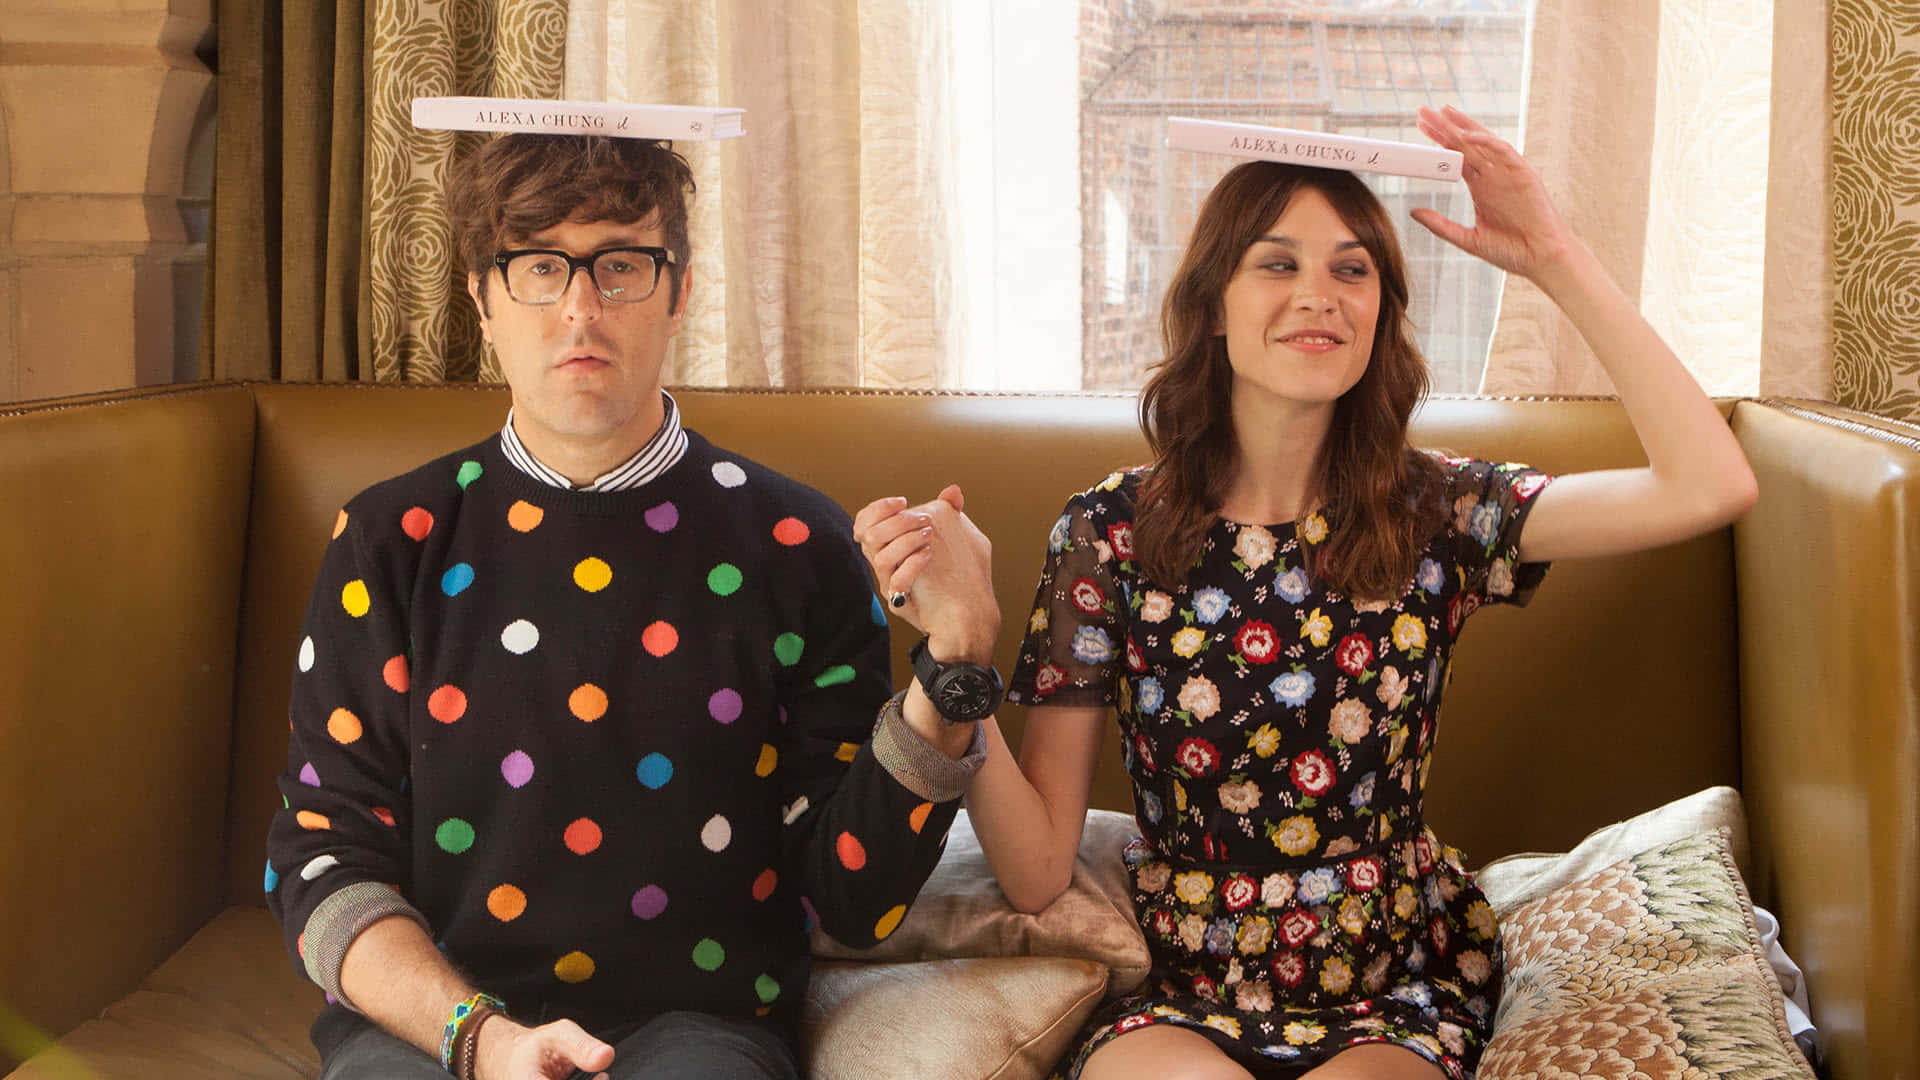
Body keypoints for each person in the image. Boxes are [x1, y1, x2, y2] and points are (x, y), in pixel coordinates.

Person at [854, 106, 1757, 1080]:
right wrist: (963, 649)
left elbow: (1711, 485)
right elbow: (1034, 874)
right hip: (1182, 996)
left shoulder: (1436, 511)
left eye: (1351, 268)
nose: (1319, 294)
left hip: (1390, 992)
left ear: (1379, 311)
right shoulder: (1108, 532)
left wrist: (1552, 256)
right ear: (1214, 306)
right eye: (1277, 264)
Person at [264, 132, 984, 1080]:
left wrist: (957, 660)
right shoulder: (386, 541)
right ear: (482, 299)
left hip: (704, 1025)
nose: (579, 308)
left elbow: (851, 903)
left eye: (619, 265)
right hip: (435, 1032)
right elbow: (323, 860)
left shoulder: (800, 548)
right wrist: (482, 1041)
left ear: (679, 290)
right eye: (537, 266)